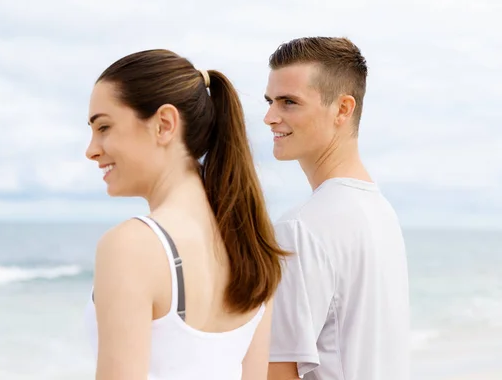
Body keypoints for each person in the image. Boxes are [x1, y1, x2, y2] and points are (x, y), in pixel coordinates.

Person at [83, 49, 289, 380]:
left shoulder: (131, 246)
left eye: (104, 127)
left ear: (164, 125)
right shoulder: (252, 246)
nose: (91, 150)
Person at [263, 37, 410, 380]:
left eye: (288, 102)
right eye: (270, 101)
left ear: (343, 109)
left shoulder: (299, 229)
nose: (269, 117)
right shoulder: (381, 213)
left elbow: (278, 373)